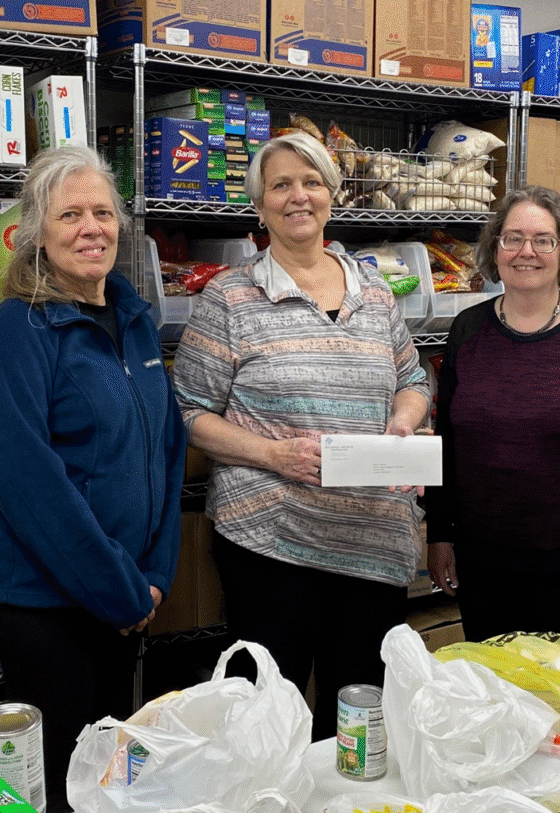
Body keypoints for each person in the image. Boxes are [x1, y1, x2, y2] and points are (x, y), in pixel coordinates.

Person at [172, 132, 430, 740]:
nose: (298, 197)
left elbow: (414, 377)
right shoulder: (230, 296)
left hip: (373, 541)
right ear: (259, 207)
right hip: (271, 542)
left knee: (359, 715)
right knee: (273, 716)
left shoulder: (373, 292)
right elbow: (190, 411)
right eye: (280, 185)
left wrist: (405, 418)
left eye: (312, 182)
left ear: (332, 198)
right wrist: (273, 455)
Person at [0, 144, 186, 813]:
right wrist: (123, 591)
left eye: (102, 212)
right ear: (36, 233)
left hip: (124, 599)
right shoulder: (17, 329)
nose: (91, 227)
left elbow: (169, 448)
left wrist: (155, 572)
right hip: (46, 606)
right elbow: (27, 481)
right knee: (61, 783)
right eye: (70, 215)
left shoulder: (134, 319)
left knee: (108, 778)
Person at [426, 185, 560, 643]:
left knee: (558, 704)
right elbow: (445, 439)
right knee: (491, 697)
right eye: (512, 238)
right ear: (494, 248)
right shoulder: (467, 328)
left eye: (543, 240)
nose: (527, 252)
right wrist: (439, 534)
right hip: (479, 561)